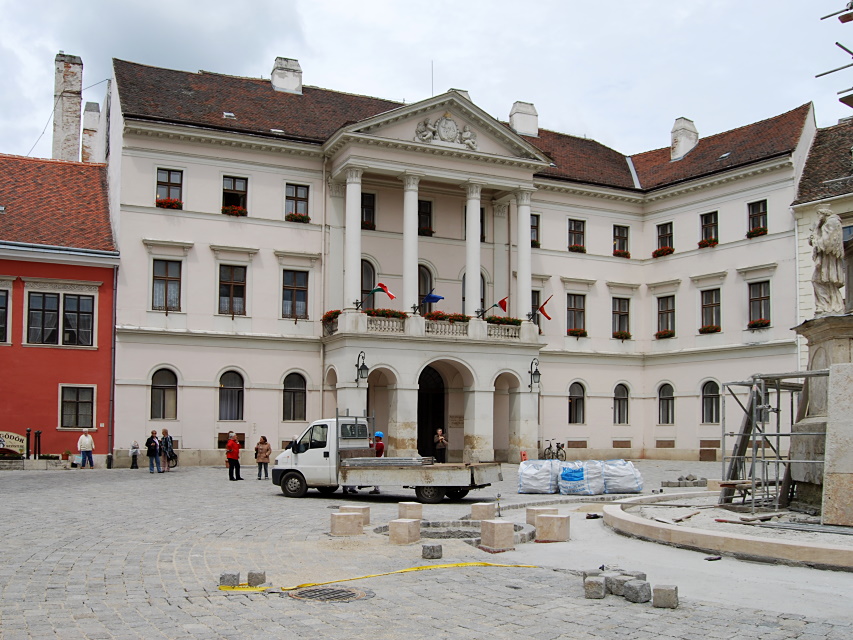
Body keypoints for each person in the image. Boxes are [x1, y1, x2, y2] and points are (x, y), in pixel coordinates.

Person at [809, 205, 845, 317]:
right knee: (818, 280)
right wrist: (815, 233)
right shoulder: (824, 224)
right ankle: (825, 306)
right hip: (824, 259)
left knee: (823, 280)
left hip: (828, 259)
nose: (818, 217)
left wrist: (815, 238)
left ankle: (830, 306)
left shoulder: (832, 223)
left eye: (819, 214)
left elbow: (827, 243)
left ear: (824, 214)